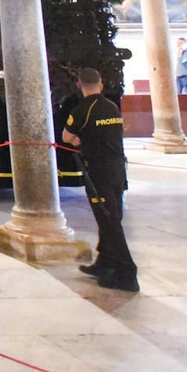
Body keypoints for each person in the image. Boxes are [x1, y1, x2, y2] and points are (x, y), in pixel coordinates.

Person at [61, 67, 138, 292]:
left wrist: (80, 142)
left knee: (109, 221)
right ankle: (104, 262)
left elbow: (66, 137)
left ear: (79, 85)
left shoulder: (82, 110)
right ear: (101, 84)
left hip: (99, 171)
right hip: (118, 169)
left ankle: (127, 274)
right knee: (113, 217)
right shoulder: (112, 107)